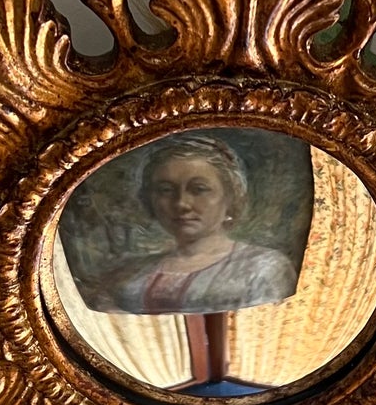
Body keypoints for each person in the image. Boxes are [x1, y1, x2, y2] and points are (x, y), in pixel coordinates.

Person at [96, 135, 299, 315]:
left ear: (230, 198)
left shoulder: (263, 269)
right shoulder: (131, 275)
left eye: (199, 189)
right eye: (166, 190)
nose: (181, 204)